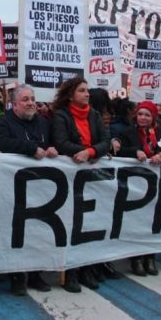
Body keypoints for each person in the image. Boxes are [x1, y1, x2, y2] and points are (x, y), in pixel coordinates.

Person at [51, 77, 119, 291]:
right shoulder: (61, 116)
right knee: (73, 224)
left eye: (87, 90)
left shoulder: (94, 114)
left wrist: (91, 152)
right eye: (82, 90)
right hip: (72, 178)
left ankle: (87, 268)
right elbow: (61, 142)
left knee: (92, 222)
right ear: (71, 95)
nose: (87, 94)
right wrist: (81, 152)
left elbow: (105, 140)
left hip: (92, 177)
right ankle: (71, 271)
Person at [0, 84, 58, 296]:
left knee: (38, 231)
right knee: (17, 232)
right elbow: (2, 143)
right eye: (26, 100)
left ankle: (36, 274)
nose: (31, 103)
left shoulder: (43, 123)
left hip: (40, 188)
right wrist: (31, 149)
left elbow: (51, 144)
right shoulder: (2, 122)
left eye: (33, 99)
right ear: (14, 104)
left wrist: (51, 148)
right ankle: (17, 277)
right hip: (14, 188)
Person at [114, 101, 161, 276]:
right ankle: (136, 258)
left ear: (153, 118)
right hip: (134, 186)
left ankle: (150, 256)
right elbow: (119, 150)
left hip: (156, 186)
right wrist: (135, 152)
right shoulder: (127, 133)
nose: (143, 118)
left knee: (153, 221)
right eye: (140, 114)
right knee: (135, 222)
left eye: (147, 115)